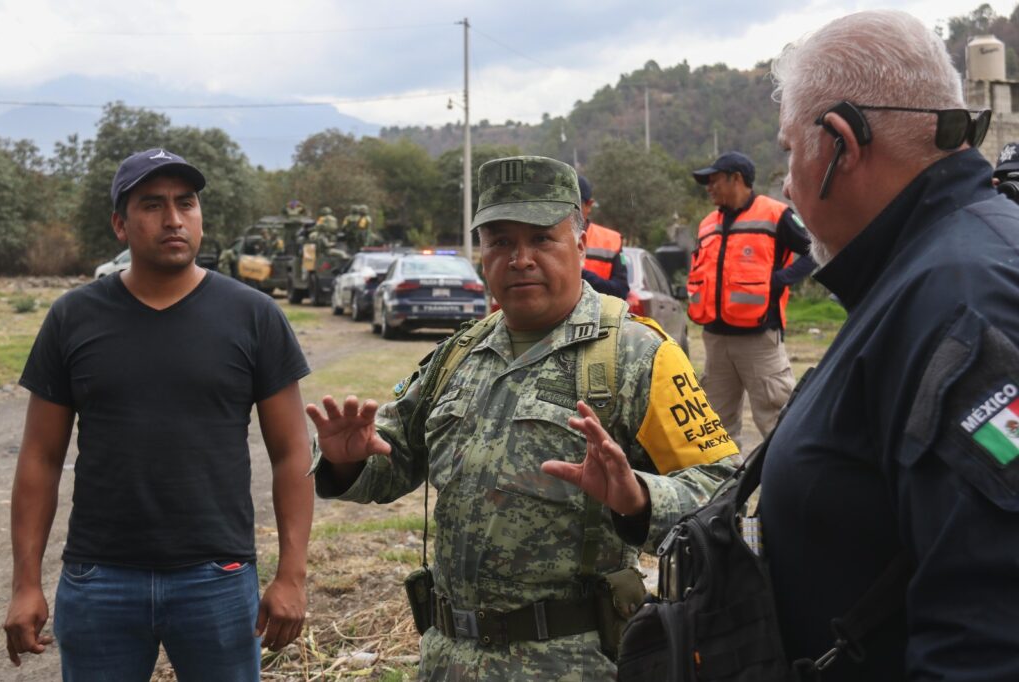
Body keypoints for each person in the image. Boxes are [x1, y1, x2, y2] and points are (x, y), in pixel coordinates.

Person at [307, 155, 739, 680]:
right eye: (501, 242)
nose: (520, 259)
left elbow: (722, 496)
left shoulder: (636, 354)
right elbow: (393, 459)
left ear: (580, 242)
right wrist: (347, 463)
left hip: (571, 663)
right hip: (447, 659)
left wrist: (639, 500)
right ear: (482, 253)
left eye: (541, 239)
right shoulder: (457, 354)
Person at [765, 10, 1013, 679]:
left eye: (791, 151)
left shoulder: (962, 297)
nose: (787, 184)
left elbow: (987, 631)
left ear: (840, 144)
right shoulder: (925, 268)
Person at [3, 148, 315, 680]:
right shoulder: (72, 317)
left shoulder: (253, 315)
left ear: (199, 216)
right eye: (152, 205)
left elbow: (292, 453)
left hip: (218, 577)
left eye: (185, 203)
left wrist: (293, 575)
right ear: (120, 225)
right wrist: (26, 583)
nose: (173, 218)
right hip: (99, 579)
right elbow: (39, 457)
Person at [688, 151, 815, 445]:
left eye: (714, 180)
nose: (709, 187)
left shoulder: (775, 214)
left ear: (737, 179)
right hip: (715, 340)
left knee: (776, 420)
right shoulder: (707, 223)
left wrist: (780, 280)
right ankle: (722, 487)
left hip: (758, 340)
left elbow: (815, 251)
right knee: (715, 426)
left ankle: (787, 485)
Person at [577, 175, 629, 299]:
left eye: (575, 204)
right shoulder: (544, 237)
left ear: (589, 205)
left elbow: (621, 290)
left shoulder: (612, 241)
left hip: (598, 316)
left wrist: (581, 275)